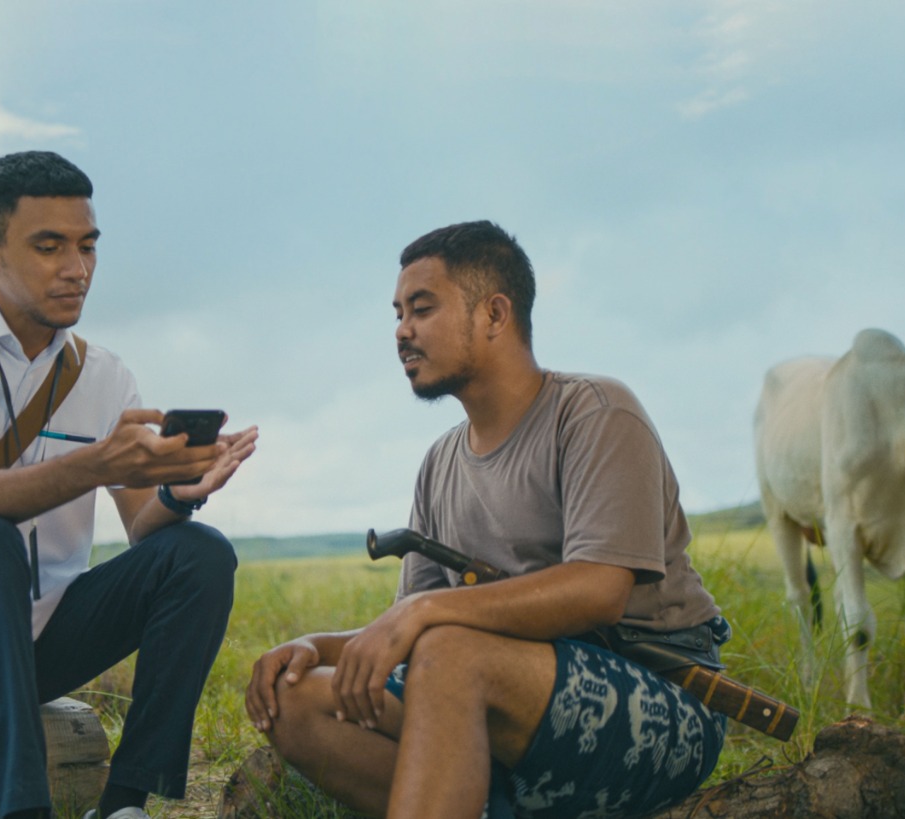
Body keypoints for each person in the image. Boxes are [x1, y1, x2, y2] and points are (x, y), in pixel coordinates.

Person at [246, 220, 726, 818]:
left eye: (422, 309)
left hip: (665, 704)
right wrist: (314, 647)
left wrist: (424, 613)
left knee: (450, 651)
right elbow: (410, 632)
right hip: (499, 701)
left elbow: (599, 589)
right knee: (295, 695)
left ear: (495, 314)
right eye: (398, 314)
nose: (401, 331)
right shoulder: (440, 462)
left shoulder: (596, 413)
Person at [0, 150, 258, 819]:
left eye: (87, 246)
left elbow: (141, 529)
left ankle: (124, 804)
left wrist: (174, 493)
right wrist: (98, 464)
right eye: (49, 247)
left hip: (42, 639)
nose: (77, 269)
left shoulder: (104, 374)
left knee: (200, 552)